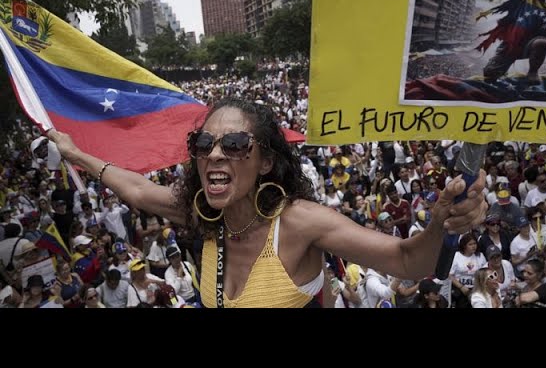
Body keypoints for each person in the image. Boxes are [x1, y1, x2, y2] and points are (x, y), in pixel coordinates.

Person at [47, 98, 487, 308]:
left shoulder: (300, 223)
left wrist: (443, 223)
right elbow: (139, 190)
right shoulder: (202, 212)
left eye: (236, 144)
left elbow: (409, 261)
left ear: (265, 162)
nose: (216, 154)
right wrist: (76, 154)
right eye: (205, 143)